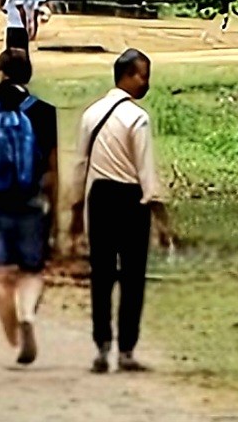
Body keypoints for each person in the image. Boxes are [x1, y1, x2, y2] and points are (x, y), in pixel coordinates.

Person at [69, 48, 174, 376]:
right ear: (127, 75)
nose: (146, 82)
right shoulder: (138, 118)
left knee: (100, 274)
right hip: (131, 200)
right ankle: (126, 350)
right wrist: (163, 219)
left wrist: (74, 210)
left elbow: (81, 165)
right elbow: (146, 174)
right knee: (132, 277)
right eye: (143, 75)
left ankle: (102, 347)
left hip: (99, 197)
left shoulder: (91, 114)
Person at [0, 46, 59, 367]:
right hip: (32, 199)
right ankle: (27, 315)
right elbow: (53, 168)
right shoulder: (44, 111)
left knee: (1, 276)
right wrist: (58, 208)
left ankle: (13, 341)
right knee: (32, 270)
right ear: (29, 75)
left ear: (0, 73)